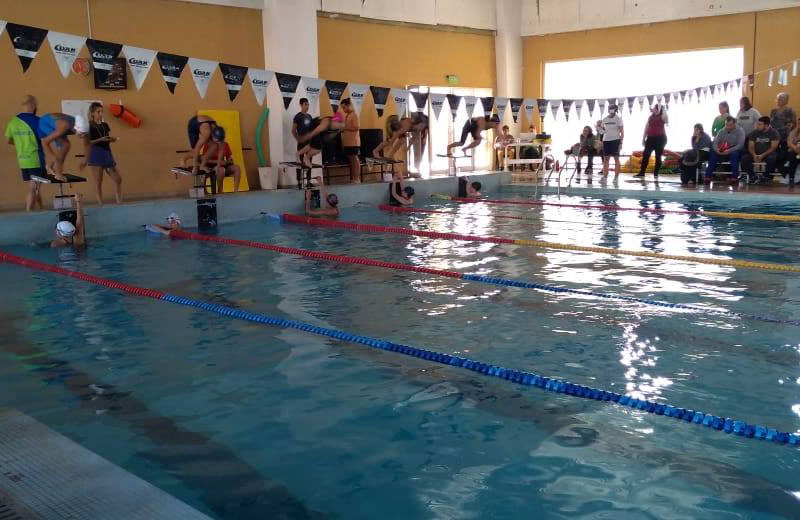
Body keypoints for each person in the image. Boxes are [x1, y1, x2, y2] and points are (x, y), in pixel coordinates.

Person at [5, 95, 44, 211]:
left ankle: (41, 209)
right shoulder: (37, 121)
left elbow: (8, 140)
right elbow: (45, 140)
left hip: (22, 160)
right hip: (35, 159)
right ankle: (28, 213)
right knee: (33, 188)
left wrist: (20, 144)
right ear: (33, 105)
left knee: (36, 186)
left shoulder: (13, 121)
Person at [84, 102, 122, 205]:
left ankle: (119, 201)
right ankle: (101, 203)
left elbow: (106, 138)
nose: (101, 114)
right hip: (96, 153)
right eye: (98, 112)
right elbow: (88, 142)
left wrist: (111, 139)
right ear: (92, 113)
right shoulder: (89, 126)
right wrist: (100, 139)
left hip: (107, 153)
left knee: (118, 179)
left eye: (102, 112)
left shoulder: (105, 125)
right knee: (98, 180)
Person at [39, 112, 88, 182]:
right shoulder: (64, 126)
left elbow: (87, 144)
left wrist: (85, 160)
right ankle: (58, 173)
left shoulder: (85, 128)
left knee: (64, 146)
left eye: (84, 133)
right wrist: (54, 159)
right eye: (81, 133)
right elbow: (45, 142)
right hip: (44, 123)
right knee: (65, 145)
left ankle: (50, 166)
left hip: (56, 123)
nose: (82, 136)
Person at [704, 116, 746, 184]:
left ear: (735, 124)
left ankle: (734, 177)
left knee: (735, 155)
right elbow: (715, 143)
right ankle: (707, 176)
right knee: (713, 155)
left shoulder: (740, 131)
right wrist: (717, 150)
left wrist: (729, 151)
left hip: (733, 149)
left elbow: (740, 145)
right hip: (722, 149)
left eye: (730, 125)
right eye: (726, 125)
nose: (728, 127)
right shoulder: (721, 131)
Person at [200, 126, 241, 193]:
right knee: (221, 169)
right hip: (211, 166)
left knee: (237, 168)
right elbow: (204, 160)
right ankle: (220, 190)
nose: (219, 142)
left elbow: (228, 158)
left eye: (220, 140)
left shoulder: (225, 144)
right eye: (217, 140)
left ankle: (236, 190)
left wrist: (229, 160)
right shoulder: (208, 145)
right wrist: (217, 162)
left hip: (223, 165)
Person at [742, 116, 780, 184]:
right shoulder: (754, 133)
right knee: (745, 158)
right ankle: (752, 176)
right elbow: (750, 147)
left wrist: (762, 155)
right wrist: (754, 155)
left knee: (772, 159)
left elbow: (773, 148)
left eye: (759, 124)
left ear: (766, 125)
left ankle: (765, 177)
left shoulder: (774, 133)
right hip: (756, 153)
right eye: (757, 124)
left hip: (768, 153)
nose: (757, 126)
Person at [635, 104, 669, 179]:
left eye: (654, 107)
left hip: (660, 138)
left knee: (658, 156)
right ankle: (642, 172)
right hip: (650, 138)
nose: (652, 108)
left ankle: (656, 174)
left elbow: (666, 120)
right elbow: (646, 127)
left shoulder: (662, 116)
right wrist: (643, 138)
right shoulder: (650, 117)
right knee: (645, 155)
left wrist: (663, 109)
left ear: (658, 109)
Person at [770, 92, 797, 179]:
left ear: (785, 100)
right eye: (777, 99)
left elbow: (792, 125)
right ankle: (770, 174)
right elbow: (771, 124)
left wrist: (783, 132)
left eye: (779, 99)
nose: (777, 101)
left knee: (783, 156)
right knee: (773, 155)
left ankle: (784, 174)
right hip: (774, 138)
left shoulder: (790, 111)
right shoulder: (773, 111)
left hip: (785, 138)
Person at [341, 99, 361, 184]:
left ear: (349, 105)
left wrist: (345, 127)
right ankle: (353, 178)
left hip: (354, 142)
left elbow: (357, 127)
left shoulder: (354, 115)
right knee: (351, 161)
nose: (343, 109)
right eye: (342, 108)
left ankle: (357, 178)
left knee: (355, 160)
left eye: (344, 107)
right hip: (347, 142)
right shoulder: (347, 115)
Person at [600, 104, 624, 177]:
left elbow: (622, 132)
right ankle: (605, 176)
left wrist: (621, 143)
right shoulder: (605, 119)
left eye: (612, 108)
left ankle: (616, 177)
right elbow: (602, 131)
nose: (611, 109)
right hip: (606, 140)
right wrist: (598, 129)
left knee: (616, 158)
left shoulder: (618, 119)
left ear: (616, 110)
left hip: (615, 140)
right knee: (606, 159)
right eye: (610, 108)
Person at [786, 117, 800, 185]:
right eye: (799, 123)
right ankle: (791, 178)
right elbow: (789, 143)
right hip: (794, 151)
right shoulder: (793, 132)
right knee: (792, 157)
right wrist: (795, 148)